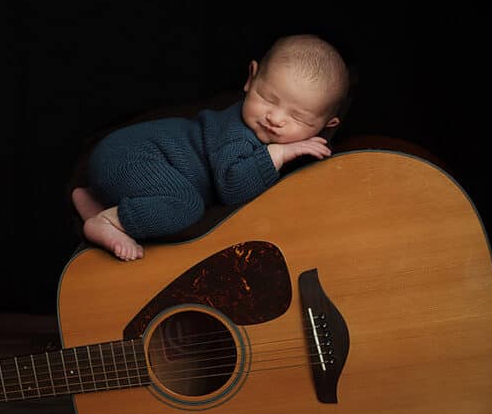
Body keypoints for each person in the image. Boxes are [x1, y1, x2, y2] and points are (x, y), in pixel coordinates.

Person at [71, 34, 350, 261]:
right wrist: (277, 154)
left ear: (327, 124)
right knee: (186, 205)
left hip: (121, 160)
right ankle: (107, 222)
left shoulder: (264, 129)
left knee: (176, 196)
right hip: (131, 155)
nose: (275, 119)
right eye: (267, 98)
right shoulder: (237, 134)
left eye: (297, 117)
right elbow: (233, 188)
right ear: (251, 78)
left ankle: (94, 199)